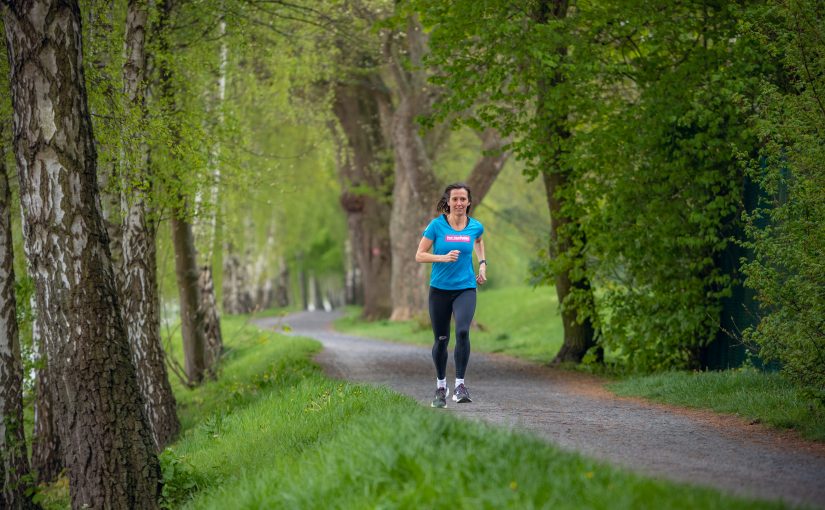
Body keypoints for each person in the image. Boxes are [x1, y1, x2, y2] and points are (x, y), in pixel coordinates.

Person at [415, 183, 487, 408]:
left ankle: (460, 386)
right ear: (448, 202)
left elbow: (479, 240)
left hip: (465, 288)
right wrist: (443, 258)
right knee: (441, 339)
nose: (458, 203)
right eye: (454, 199)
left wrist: (482, 264)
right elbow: (419, 255)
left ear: (468, 202)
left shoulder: (475, 226)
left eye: (462, 199)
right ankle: (440, 387)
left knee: (463, 331)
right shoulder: (436, 226)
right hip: (440, 290)